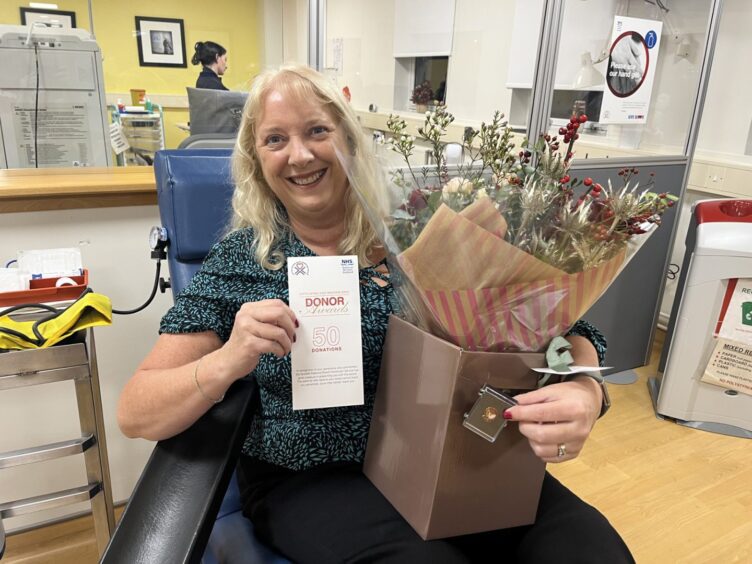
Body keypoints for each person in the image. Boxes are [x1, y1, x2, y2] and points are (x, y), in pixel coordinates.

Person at [117, 65, 634, 563]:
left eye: (317, 130)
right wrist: (228, 359)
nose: (299, 155)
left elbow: (565, 328)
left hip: (448, 456)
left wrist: (584, 387)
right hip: (312, 477)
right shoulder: (241, 261)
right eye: (275, 139)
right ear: (256, 159)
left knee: (589, 548)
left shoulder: (417, 239)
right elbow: (137, 411)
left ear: (347, 140)